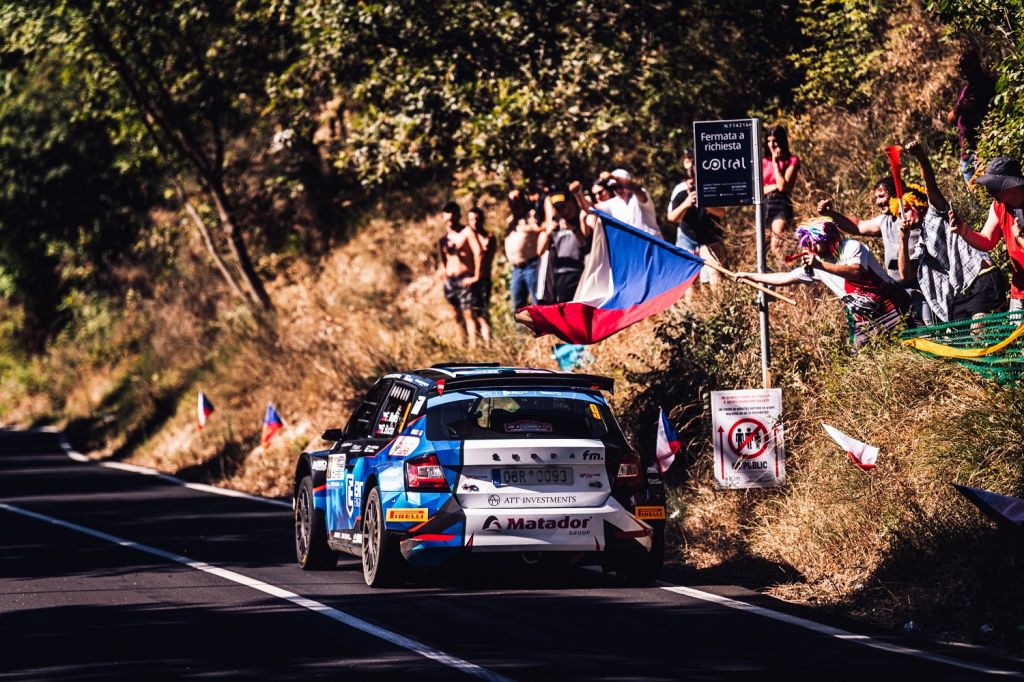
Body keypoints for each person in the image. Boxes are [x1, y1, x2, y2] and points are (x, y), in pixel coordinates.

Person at [734, 218, 910, 348]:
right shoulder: (816, 263)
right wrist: (750, 276)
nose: (811, 249)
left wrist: (820, 265)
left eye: (815, 244)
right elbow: (785, 278)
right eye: (808, 244)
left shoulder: (851, 247)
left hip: (894, 309)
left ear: (827, 239)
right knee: (864, 363)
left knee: (908, 351)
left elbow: (855, 272)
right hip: (865, 322)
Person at [897, 141, 1006, 323]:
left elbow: (930, 184)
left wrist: (921, 158)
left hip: (980, 277)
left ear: (920, 205)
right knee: (959, 337)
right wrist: (903, 238)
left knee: (981, 330)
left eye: (907, 209)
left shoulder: (936, 213)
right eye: (900, 214)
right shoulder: (921, 245)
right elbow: (906, 274)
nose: (903, 215)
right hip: (961, 295)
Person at [817, 176, 932, 323]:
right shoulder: (885, 221)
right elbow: (857, 226)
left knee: (931, 327)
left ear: (896, 194)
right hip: (899, 292)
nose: (878, 202)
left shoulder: (916, 217)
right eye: (876, 197)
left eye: (881, 196)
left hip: (925, 288)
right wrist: (831, 214)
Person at [955, 157, 1024, 312]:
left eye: (994, 187)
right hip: (1020, 289)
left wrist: (1018, 237)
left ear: (1011, 185)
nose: (989, 191)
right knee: (1015, 329)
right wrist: (964, 231)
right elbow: (987, 241)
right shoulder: (999, 206)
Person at [667, 166, 725, 297]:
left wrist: (705, 204)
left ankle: (719, 303)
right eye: (691, 185)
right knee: (689, 277)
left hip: (708, 236)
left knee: (714, 270)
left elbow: (721, 212)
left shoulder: (710, 192)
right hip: (687, 237)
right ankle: (692, 307)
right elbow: (672, 218)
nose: (694, 188)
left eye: (696, 184)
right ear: (686, 183)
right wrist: (686, 204)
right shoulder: (681, 195)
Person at [437, 202, 483, 347]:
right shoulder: (443, 239)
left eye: (453, 212)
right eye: (447, 213)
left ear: (458, 214)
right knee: (456, 316)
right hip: (450, 281)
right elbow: (444, 260)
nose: (450, 216)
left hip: (465, 279)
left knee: (469, 315)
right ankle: (461, 346)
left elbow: (478, 252)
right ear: (443, 216)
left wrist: (477, 276)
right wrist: (445, 275)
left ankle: (475, 348)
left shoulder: (467, 232)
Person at [571, 168, 662, 239]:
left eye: (620, 186)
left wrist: (613, 177)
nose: (618, 190)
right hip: (635, 250)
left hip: (654, 246)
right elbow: (590, 209)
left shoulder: (638, 195)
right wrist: (578, 194)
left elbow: (635, 187)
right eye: (614, 187)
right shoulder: (613, 203)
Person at [948, 51, 995, 185]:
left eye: (965, 65)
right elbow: (950, 118)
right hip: (966, 154)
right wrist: (959, 107)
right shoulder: (965, 90)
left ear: (975, 65)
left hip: (983, 150)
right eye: (958, 67)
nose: (961, 70)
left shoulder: (988, 85)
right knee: (973, 192)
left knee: (987, 190)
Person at [538, 191, 589, 303]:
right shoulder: (555, 225)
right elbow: (540, 251)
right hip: (559, 274)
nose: (561, 210)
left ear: (570, 203)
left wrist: (573, 228)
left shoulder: (578, 220)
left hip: (578, 272)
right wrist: (548, 234)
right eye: (558, 207)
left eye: (563, 206)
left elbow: (585, 243)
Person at [762, 125, 800, 259]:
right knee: (763, 247)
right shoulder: (763, 162)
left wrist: (776, 164)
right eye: (769, 141)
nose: (771, 145)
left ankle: (788, 269)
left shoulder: (792, 161)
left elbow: (783, 187)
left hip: (781, 204)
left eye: (775, 141)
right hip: (765, 204)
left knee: (776, 245)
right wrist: (774, 186)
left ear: (782, 141)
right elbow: (759, 190)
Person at [504, 203, 544, 311]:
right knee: (517, 303)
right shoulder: (511, 221)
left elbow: (540, 228)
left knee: (537, 300)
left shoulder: (530, 217)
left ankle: (541, 321)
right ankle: (520, 322)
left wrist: (529, 224)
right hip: (516, 269)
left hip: (530, 265)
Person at [467, 207, 495, 343]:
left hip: (482, 280)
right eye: (471, 220)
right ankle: (477, 343)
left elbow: (483, 256)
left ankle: (488, 343)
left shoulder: (488, 237)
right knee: (472, 313)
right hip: (472, 281)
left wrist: (477, 277)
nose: (474, 223)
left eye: (477, 219)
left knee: (481, 314)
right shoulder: (470, 236)